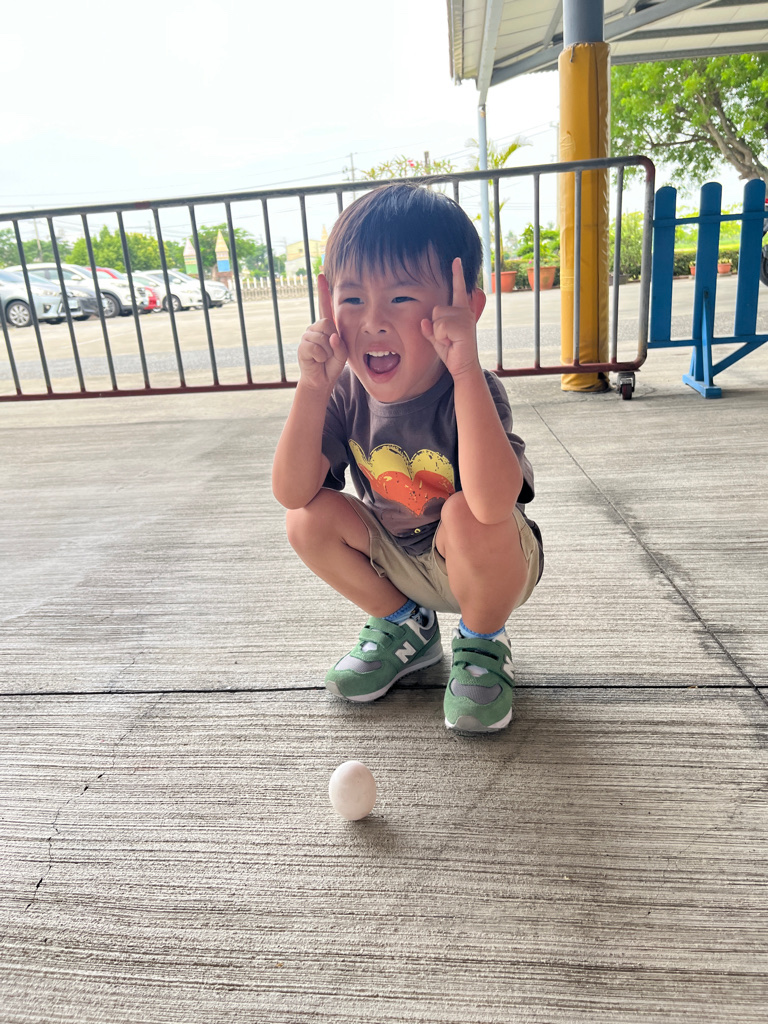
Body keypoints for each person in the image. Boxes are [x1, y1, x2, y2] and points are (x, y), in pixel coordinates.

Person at [272, 183, 542, 733]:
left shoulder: (472, 389)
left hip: (489, 562)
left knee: (467, 513)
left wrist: (465, 370)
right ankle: (405, 626)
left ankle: (482, 641)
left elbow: (495, 505)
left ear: (463, 308)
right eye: (352, 300)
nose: (373, 321)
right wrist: (312, 387)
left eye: (399, 298)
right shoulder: (343, 393)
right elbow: (291, 491)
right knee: (305, 518)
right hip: (398, 558)